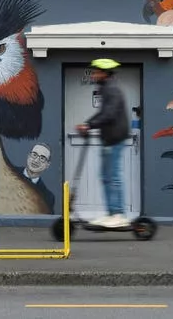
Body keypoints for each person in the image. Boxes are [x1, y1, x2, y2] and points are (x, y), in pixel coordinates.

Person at [76, 58, 130, 228]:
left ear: (105, 74)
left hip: (114, 138)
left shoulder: (112, 90)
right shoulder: (106, 89)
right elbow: (102, 113)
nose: (94, 74)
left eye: (97, 71)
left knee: (112, 177)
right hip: (109, 138)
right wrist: (87, 123)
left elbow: (109, 114)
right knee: (107, 177)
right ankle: (112, 213)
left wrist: (89, 125)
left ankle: (118, 214)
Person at [17, 143, 55, 214]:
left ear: (47, 165)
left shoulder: (48, 197)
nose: (36, 160)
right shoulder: (10, 171)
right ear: (28, 156)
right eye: (34, 155)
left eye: (42, 158)